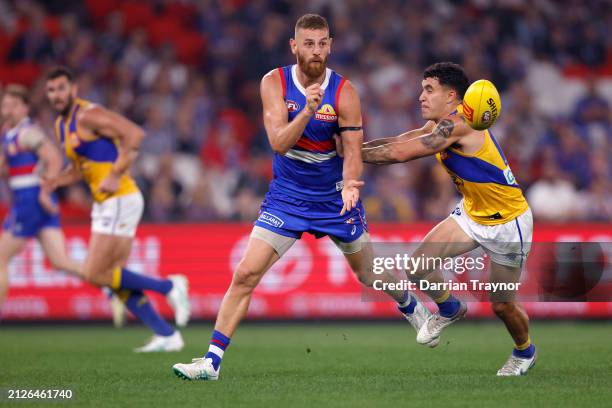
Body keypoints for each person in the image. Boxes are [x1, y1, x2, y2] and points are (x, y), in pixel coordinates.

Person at [172, 13, 434, 381]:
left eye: (321, 43)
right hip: (288, 198)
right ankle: (211, 362)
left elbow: (353, 151)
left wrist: (352, 184)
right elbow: (279, 142)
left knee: (369, 274)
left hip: (333, 197)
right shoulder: (274, 83)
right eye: (307, 44)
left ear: (330, 45)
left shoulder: (345, 92)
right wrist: (309, 109)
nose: (315, 51)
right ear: (294, 46)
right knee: (246, 273)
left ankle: (409, 305)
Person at [360, 62, 536, 376]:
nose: (420, 97)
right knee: (416, 266)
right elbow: (401, 141)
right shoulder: (440, 124)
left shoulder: (459, 125)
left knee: (502, 305)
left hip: (508, 222)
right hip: (472, 213)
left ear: (451, 95)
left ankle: (525, 351)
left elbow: (400, 155)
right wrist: (350, 147)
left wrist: (347, 153)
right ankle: (450, 308)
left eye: (429, 90)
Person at [45, 66, 190, 352]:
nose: (56, 95)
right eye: (51, 90)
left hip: (120, 197)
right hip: (105, 202)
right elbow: (81, 168)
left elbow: (134, 134)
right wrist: (58, 179)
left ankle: (169, 287)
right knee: (115, 275)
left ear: (73, 89)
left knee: (95, 273)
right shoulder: (61, 126)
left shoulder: (88, 114)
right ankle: (166, 335)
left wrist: (115, 172)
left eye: (61, 88)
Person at [0, 84, 81, 309]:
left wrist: (46, 192)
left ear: (25, 108)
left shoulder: (28, 133)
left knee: (0, 259)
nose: (8, 110)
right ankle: (111, 285)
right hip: (32, 201)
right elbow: (11, 169)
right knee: (61, 262)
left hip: (30, 200)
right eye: (5, 105)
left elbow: (54, 158)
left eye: (14, 105)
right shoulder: (10, 134)